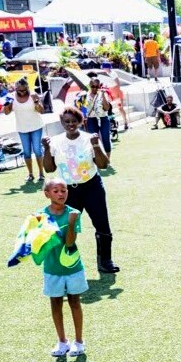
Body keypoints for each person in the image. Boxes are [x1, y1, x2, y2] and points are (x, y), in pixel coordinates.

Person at [42, 106, 119, 273]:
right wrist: (46, 149)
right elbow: (48, 169)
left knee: (102, 224)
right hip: (68, 190)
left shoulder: (89, 138)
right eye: (66, 121)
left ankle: (105, 261)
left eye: (74, 121)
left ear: (81, 121)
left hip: (91, 186)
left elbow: (104, 165)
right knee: (64, 226)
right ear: (61, 122)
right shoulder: (55, 141)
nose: (70, 124)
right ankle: (65, 260)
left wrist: (96, 146)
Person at [37, 177, 87, 357]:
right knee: (55, 303)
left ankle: (79, 341)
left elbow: (69, 242)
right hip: (52, 268)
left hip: (73, 267)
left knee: (75, 301)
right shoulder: (40, 215)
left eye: (64, 190)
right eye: (56, 191)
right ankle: (62, 341)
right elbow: (38, 245)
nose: (61, 194)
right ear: (47, 194)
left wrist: (72, 222)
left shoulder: (74, 213)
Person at [4, 79, 46, 183]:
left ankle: (41, 173)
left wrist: (36, 101)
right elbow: (6, 112)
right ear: (16, 89)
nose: (22, 92)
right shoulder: (11, 97)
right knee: (26, 152)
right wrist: (6, 105)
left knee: (37, 150)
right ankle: (30, 174)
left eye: (24, 90)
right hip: (22, 128)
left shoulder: (33, 95)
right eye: (20, 90)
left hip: (36, 126)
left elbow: (41, 111)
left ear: (27, 88)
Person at [82, 76, 115, 155]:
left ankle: (107, 159)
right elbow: (83, 109)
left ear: (99, 86)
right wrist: (84, 117)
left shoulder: (103, 94)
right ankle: (97, 158)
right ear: (90, 86)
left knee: (105, 138)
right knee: (93, 139)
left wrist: (103, 96)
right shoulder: (85, 95)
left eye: (97, 86)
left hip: (103, 118)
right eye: (93, 86)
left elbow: (107, 108)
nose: (95, 88)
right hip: (91, 119)